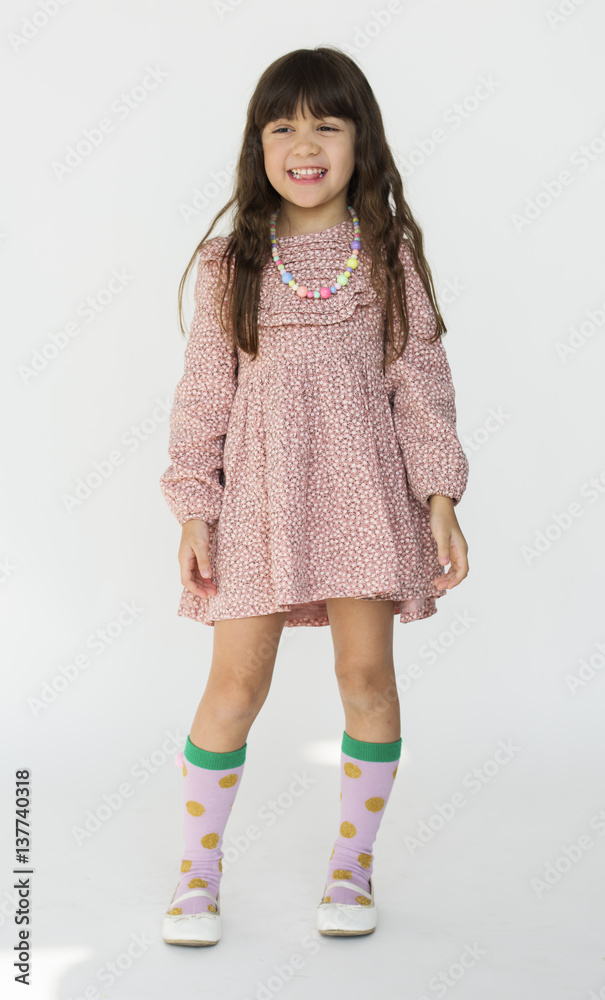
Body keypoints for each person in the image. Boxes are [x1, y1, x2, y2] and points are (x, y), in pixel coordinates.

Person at [158, 46, 470, 947]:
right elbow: (203, 395)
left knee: (365, 677)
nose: (304, 144)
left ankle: (351, 864)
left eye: (326, 125)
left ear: (359, 141)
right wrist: (194, 505)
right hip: (258, 501)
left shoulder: (387, 256)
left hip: (365, 497)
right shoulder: (231, 264)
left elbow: (419, 381)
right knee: (234, 684)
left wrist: (439, 494)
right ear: (258, 143)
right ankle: (196, 870)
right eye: (282, 125)